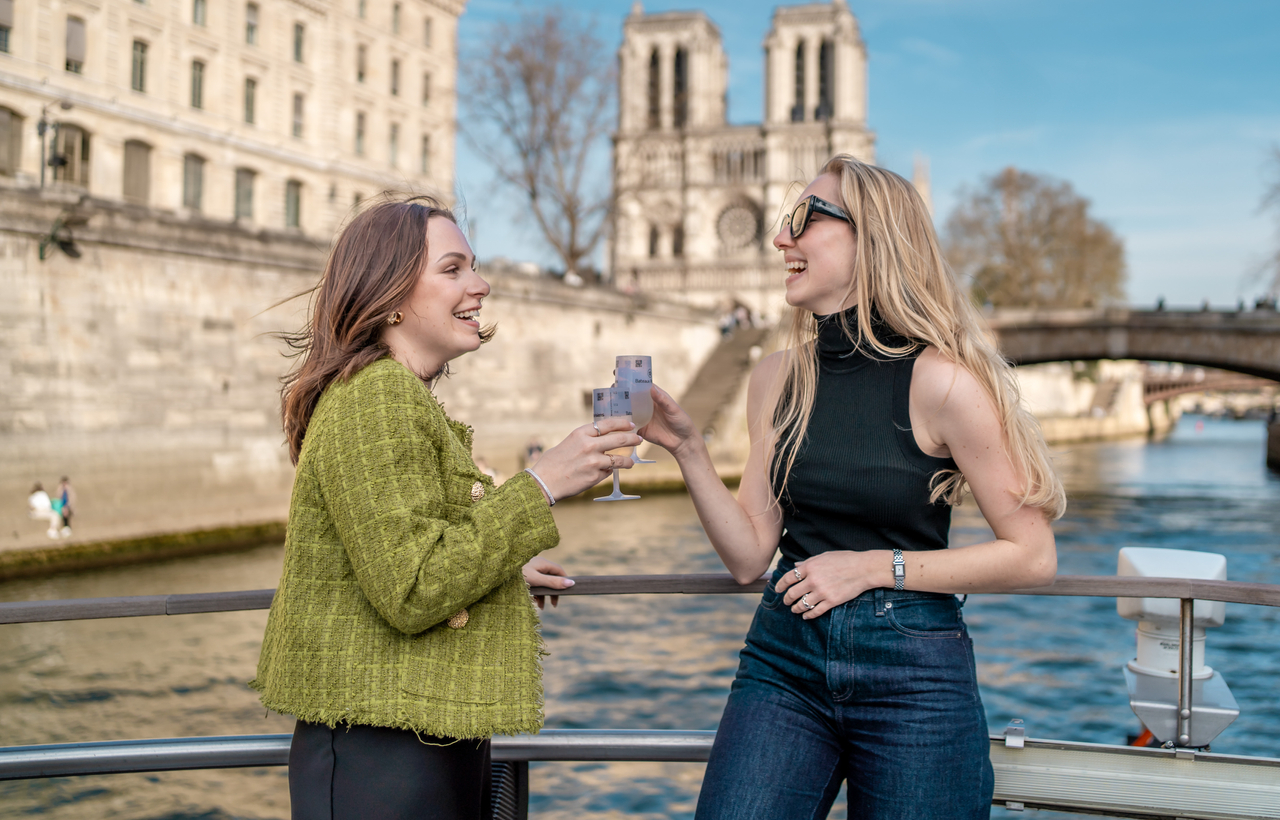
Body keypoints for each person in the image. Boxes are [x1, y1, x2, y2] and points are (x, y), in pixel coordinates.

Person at [639, 156, 1064, 820]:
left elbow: (1033, 556)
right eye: (785, 221)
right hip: (784, 656)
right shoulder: (776, 377)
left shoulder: (943, 382)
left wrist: (873, 568)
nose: (782, 239)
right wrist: (690, 452)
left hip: (915, 672)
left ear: (873, 237)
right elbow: (751, 555)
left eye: (805, 219)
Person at [251, 197, 642, 820]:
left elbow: (402, 554)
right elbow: (410, 588)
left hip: (410, 736)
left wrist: (499, 574)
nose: (480, 286)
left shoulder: (391, 395)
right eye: (453, 269)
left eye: (474, 268)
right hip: (382, 754)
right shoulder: (376, 399)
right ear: (392, 295)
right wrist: (538, 484)